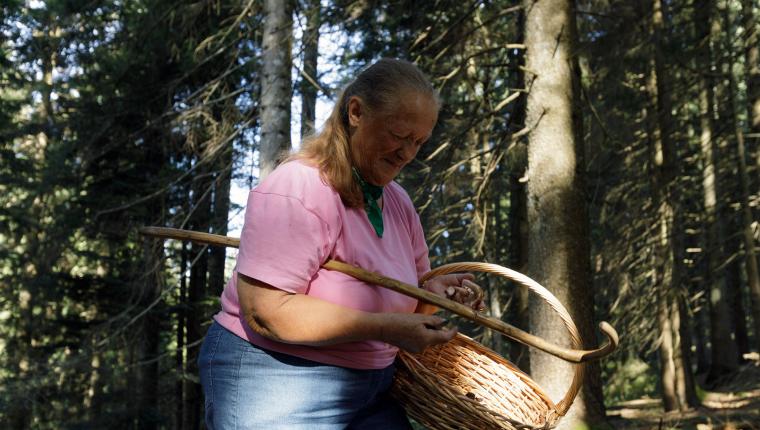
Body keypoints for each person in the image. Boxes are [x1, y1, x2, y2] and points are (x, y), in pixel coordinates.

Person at [198, 58, 483, 429]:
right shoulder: (299, 187)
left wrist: (433, 295)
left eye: (419, 142)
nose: (407, 153)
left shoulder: (397, 203)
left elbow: (410, 309)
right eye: (399, 135)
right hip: (276, 381)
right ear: (356, 112)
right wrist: (382, 327)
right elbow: (266, 311)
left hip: (373, 390)